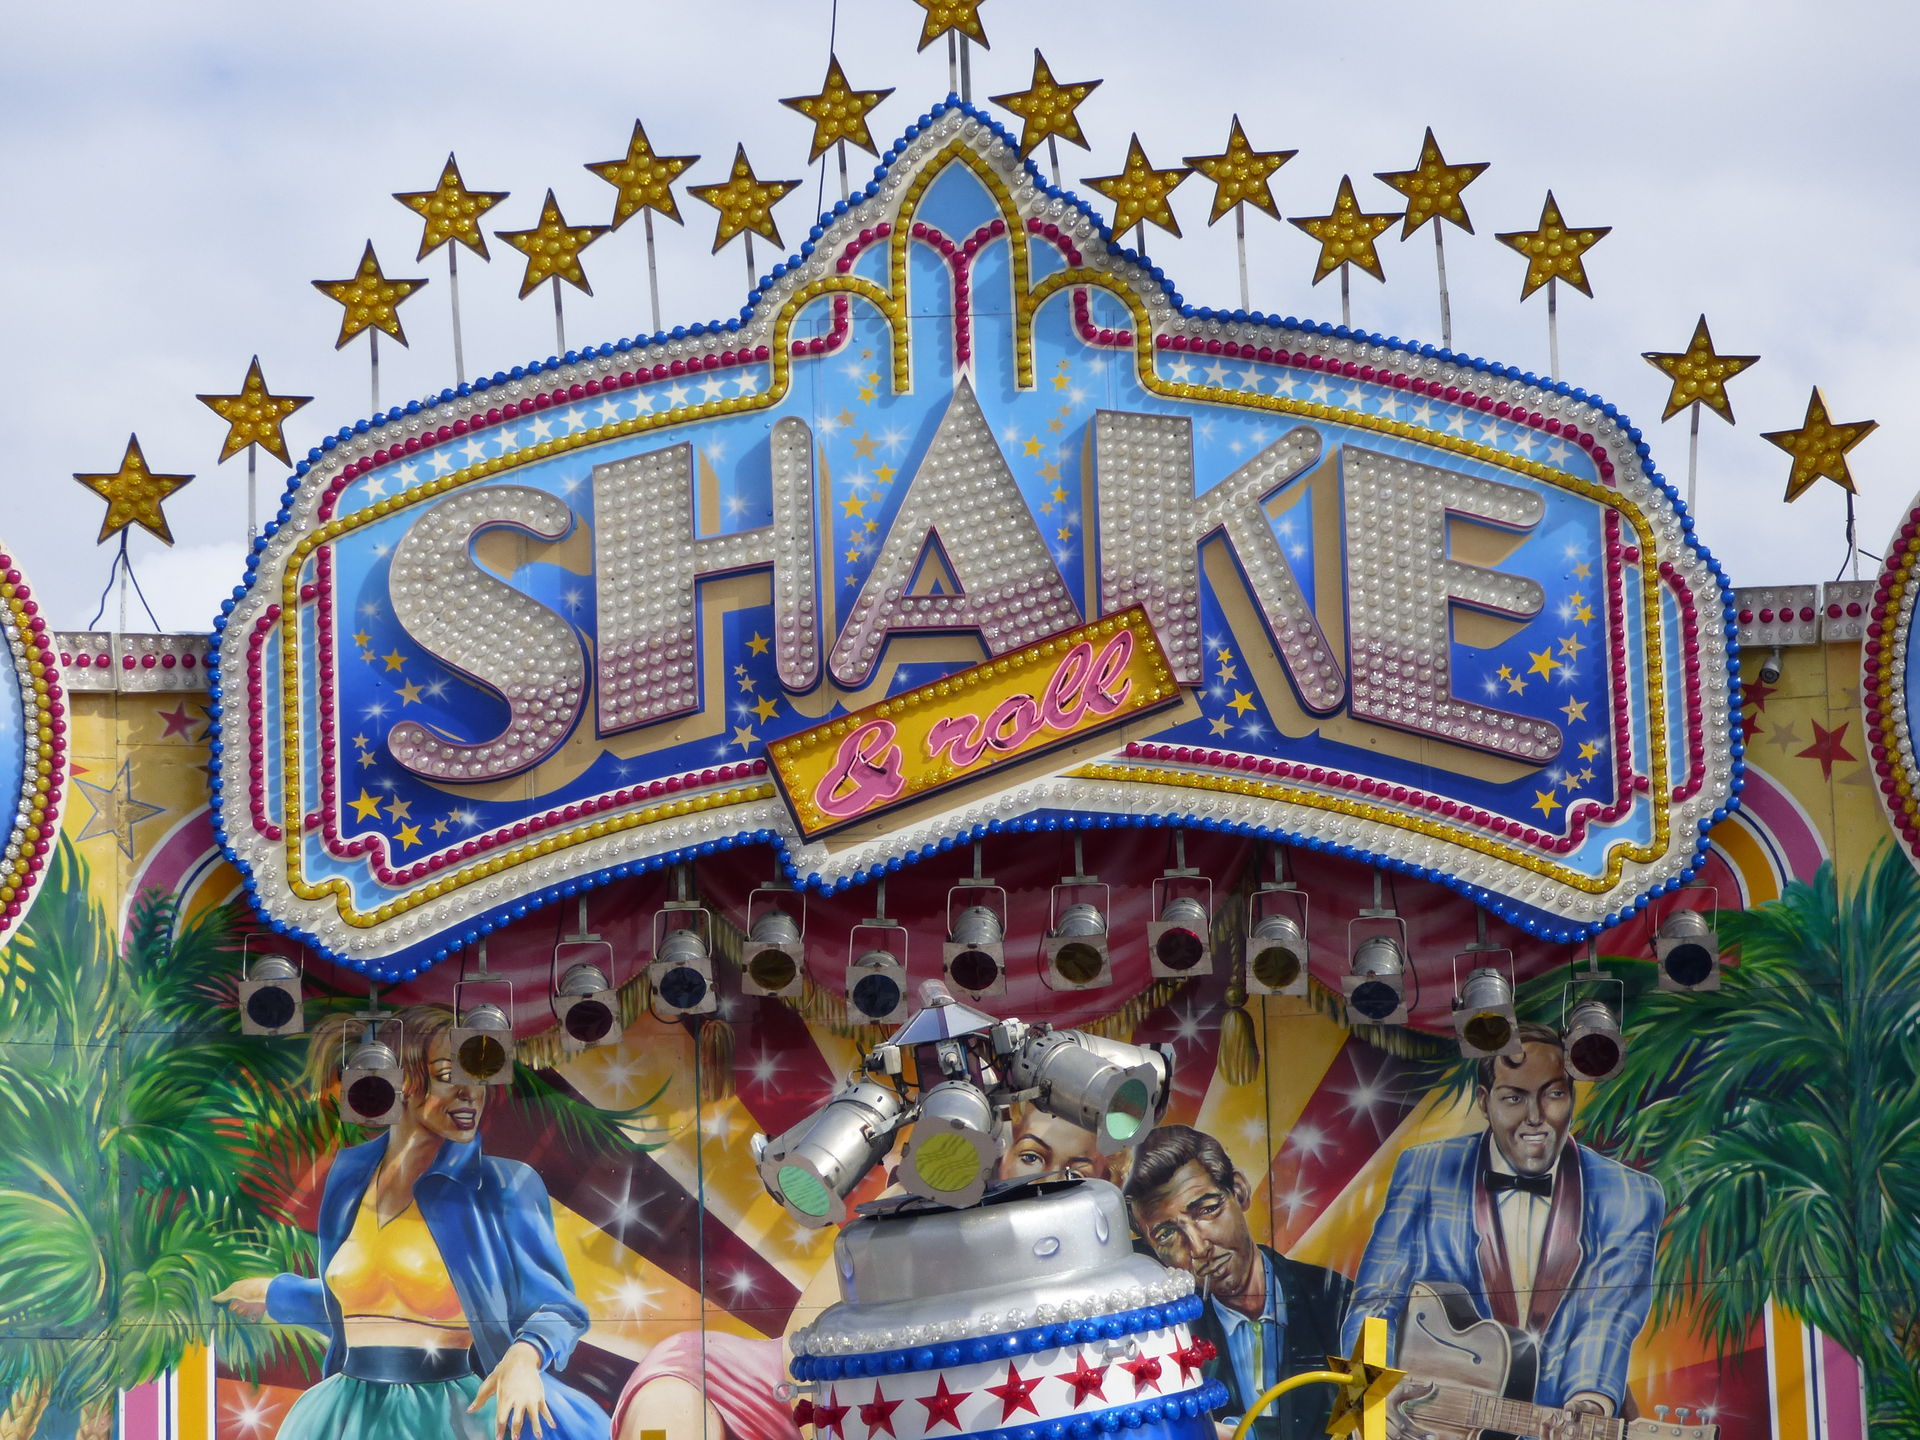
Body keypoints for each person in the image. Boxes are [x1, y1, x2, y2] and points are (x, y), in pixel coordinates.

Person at [215, 1005, 610, 1440]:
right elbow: (361, 1304)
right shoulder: (349, 1177)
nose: (470, 1093)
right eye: (448, 1075)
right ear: (397, 1080)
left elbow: (559, 1308)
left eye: (477, 1076)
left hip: (451, 1415)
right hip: (345, 1413)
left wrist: (524, 1357)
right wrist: (272, 1292)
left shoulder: (504, 1185)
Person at [1340, 1022, 1665, 1423]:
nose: (1535, 1118)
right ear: (1484, 1101)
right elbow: (1376, 1301)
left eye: (1554, 1094)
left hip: (1550, 1425)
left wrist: (1589, 1402)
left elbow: (1608, 1315)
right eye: (1514, 1098)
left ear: (1572, 1096)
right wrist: (1371, 1400)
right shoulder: (1425, 1169)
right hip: (1429, 1425)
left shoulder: (1631, 1195)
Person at [1125, 1125, 1352, 1440]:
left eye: (1207, 1209)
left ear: (1240, 1191)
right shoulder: (1168, 1335)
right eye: (1167, 1235)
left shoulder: (1337, 1301)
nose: (1198, 1247)